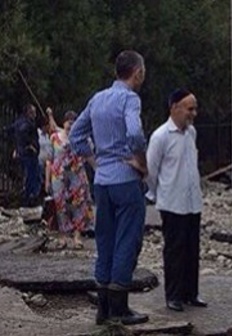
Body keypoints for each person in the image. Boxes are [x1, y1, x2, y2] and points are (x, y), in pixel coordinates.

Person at [69, 50, 149, 326]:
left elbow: (75, 134)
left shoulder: (98, 98)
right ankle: (120, 308)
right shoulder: (130, 99)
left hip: (102, 180)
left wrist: (94, 161)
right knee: (128, 239)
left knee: (104, 240)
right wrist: (140, 162)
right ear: (137, 73)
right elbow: (135, 133)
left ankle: (102, 309)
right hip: (126, 179)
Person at [145, 88, 206, 312]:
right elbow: (151, 170)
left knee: (192, 248)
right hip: (172, 202)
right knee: (174, 250)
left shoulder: (191, 133)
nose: (193, 113)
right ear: (175, 108)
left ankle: (192, 292)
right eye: (190, 108)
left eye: (195, 108)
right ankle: (174, 295)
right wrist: (157, 193)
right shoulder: (161, 136)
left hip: (192, 201)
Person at [45, 110, 94, 250]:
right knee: (60, 207)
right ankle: (62, 237)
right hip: (59, 177)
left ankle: (77, 237)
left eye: (73, 122)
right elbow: (49, 160)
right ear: (63, 122)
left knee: (78, 207)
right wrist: (47, 181)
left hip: (76, 177)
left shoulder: (82, 138)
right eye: (68, 121)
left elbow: (89, 154)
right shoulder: (54, 138)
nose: (70, 125)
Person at [5, 104, 42, 207]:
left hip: (22, 153)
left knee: (27, 177)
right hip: (29, 155)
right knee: (31, 178)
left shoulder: (18, 122)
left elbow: (9, 131)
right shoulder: (28, 124)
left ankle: (27, 198)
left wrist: (16, 147)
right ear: (29, 112)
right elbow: (24, 133)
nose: (35, 114)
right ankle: (29, 200)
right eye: (33, 112)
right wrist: (30, 146)